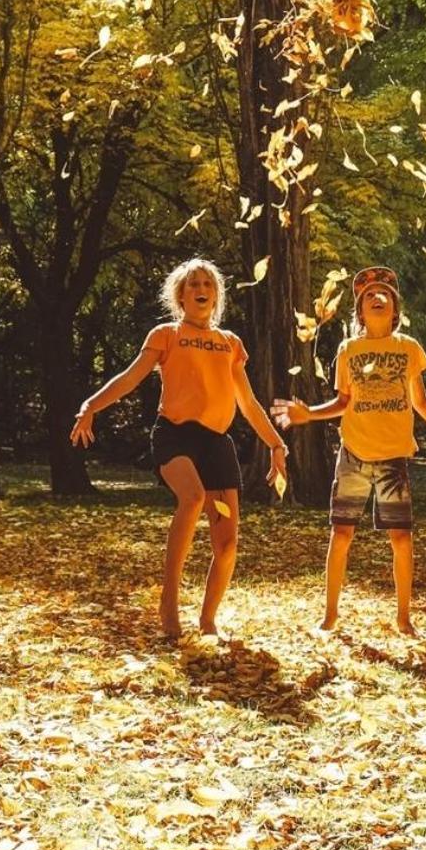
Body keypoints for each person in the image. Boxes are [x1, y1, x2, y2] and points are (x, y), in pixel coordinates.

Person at [70, 258, 287, 639]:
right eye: (193, 284)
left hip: (217, 443)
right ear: (181, 297)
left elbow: (248, 403)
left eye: (208, 283)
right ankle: (169, 601)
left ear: (216, 295)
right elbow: (131, 377)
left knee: (228, 543)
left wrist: (276, 444)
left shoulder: (230, 344)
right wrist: (91, 406)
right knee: (192, 497)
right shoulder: (166, 334)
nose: (201, 288)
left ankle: (207, 621)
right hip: (175, 435)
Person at [273, 265, 426, 635]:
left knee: (401, 537)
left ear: (395, 310)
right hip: (353, 456)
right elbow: (343, 401)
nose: (378, 299)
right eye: (369, 296)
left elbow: (420, 402)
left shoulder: (407, 348)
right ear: (360, 312)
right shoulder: (349, 350)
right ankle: (329, 615)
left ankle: (404, 617)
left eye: (385, 295)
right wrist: (307, 414)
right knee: (341, 534)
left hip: (393, 459)